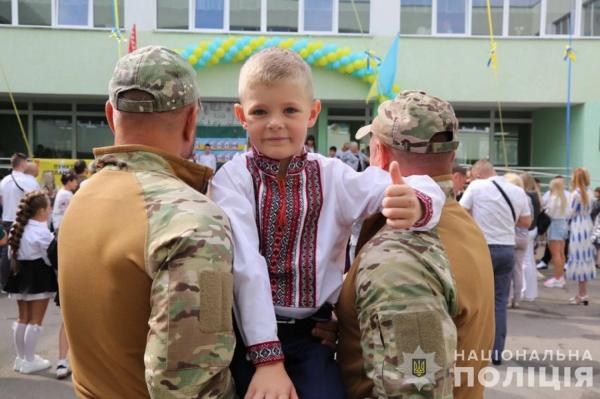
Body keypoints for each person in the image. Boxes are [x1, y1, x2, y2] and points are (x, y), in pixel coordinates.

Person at [210, 49, 445, 399]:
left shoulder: (333, 175)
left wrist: (415, 203)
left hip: (313, 337)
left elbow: (417, 184)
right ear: (242, 116)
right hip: (245, 339)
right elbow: (247, 266)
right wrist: (267, 361)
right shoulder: (231, 179)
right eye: (260, 111)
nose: (275, 122)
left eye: (290, 110)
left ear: (312, 113)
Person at [58, 46, 235, 398]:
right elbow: (191, 384)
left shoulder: (82, 199)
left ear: (111, 115)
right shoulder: (194, 219)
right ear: (190, 120)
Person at [337, 91, 495, 399]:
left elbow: (417, 380)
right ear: (451, 155)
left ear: (379, 151)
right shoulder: (460, 221)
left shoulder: (399, 258)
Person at [460, 159, 532, 365]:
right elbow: (526, 222)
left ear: (477, 174)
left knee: (477, 301)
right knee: (499, 302)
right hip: (507, 249)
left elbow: (461, 212)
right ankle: (496, 352)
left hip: (482, 249)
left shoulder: (476, 186)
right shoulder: (517, 191)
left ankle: (474, 350)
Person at [3, 191, 57, 374]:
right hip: (38, 276)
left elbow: (11, 253)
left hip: (19, 272)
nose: (50, 210)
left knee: (23, 318)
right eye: (49, 207)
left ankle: (21, 358)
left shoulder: (17, 228)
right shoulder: (42, 233)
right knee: (35, 321)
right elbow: (50, 258)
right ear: (41, 210)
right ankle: (30, 359)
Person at [1, 153, 40, 288]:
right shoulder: (29, 180)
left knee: (7, 252)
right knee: (25, 251)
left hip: (7, 219)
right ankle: (24, 282)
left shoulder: (4, 180)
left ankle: (5, 282)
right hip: (23, 220)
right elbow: (37, 201)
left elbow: (1, 201)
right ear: (23, 164)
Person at [565, 168, 596, 305]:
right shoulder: (589, 193)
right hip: (587, 225)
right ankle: (583, 293)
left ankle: (581, 294)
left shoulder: (575, 194)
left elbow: (569, 213)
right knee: (585, 259)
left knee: (578, 258)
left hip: (578, 227)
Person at [504, 173, 529, 308]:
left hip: (510, 235)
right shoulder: (526, 198)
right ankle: (517, 298)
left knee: (507, 270)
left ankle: (507, 298)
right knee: (518, 269)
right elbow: (528, 220)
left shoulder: (508, 198)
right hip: (523, 237)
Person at [542, 177, 570, 288]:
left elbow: (550, 213)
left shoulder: (553, 198)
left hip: (554, 225)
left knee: (555, 254)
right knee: (562, 253)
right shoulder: (564, 198)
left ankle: (557, 278)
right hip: (563, 224)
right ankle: (560, 277)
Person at [521, 172, 541, 301]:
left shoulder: (526, 196)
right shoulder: (536, 195)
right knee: (529, 261)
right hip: (533, 229)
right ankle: (530, 292)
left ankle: (527, 292)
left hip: (527, 230)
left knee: (526, 262)